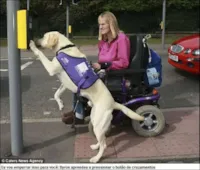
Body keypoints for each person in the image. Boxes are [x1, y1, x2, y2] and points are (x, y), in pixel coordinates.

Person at [62, 11, 130, 124]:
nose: (100, 27)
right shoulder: (103, 42)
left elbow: (124, 62)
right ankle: (78, 110)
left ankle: (80, 114)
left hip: (115, 75)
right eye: (99, 24)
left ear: (111, 24)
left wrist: (103, 65)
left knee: (81, 82)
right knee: (76, 76)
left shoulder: (121, 39)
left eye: (103, 24)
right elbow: (100, 61)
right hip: (103, 72)